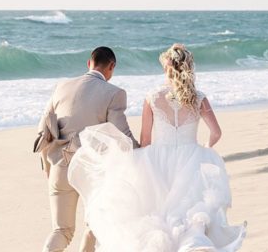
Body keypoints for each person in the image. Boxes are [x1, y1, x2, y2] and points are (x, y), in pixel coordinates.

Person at [68, 43, 247, 252]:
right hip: (192, 157)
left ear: (166, 68)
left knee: (157, 214)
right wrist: (204, 150)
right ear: (188, 68)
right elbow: (216, 133)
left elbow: (145, 140)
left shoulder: (152, 97)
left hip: (157, 159)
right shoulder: (199, 97)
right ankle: (192, 244)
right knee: (191, 215)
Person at [36, 46, 138, 252]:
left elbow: (42, 131)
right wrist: (142, 152)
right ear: (112, 66)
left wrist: (49, 166)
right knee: (94, 227)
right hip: (92, 171)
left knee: (61, 231)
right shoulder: (114, 93)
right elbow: (122, 135)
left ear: (89, 63)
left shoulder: (62, 87)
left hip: (60, 167)